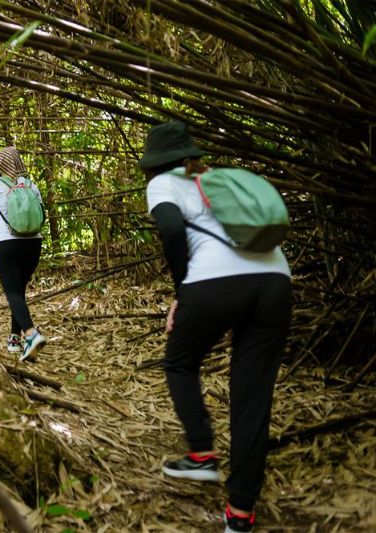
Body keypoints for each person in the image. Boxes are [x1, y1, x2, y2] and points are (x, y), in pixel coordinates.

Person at [141, 121, 292, 533]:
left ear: (154, 163)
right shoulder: (216, 180)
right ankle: (241, 513)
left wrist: (182, 292)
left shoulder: (163, 185)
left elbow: (171, 228)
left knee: (179, 362)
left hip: (213, 282)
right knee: (252, 396)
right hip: (277, 281)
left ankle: (202, 455)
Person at [0, 146, 46, 362]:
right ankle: (14, 340)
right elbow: (42, 215)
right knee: (19, 291)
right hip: (34, 244)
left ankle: (31, 334)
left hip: (8, 244)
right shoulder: (31, 185)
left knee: (13, 293)